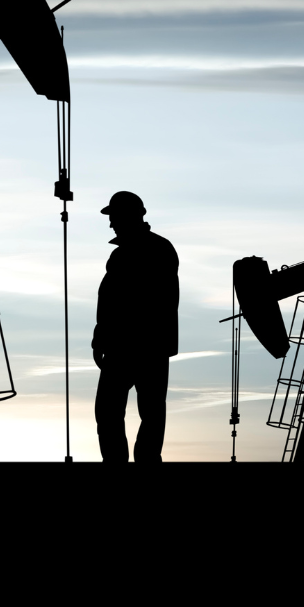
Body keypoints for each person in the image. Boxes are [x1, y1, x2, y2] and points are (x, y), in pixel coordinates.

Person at [91, 191, 179, 462]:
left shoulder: (140, 252)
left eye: (114, 217)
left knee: (122, 411)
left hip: (132, 345)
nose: (111, 223)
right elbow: (110, 301)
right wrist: (101, 336)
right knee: (137, 411)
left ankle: (133, 462)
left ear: (130, 216)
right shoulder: (149, 250)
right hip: (145, 345)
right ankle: (142, 461)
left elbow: (121, 301)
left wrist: (104, 337)